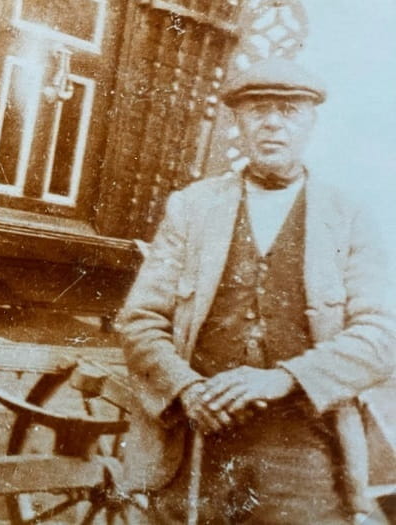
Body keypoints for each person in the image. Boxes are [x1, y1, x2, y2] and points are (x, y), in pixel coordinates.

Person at [118, 57, 396, 523]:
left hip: (301, 446)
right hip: (196, 442)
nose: (272, 123)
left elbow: (380, 336)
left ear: (310, 123)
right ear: (237, 123)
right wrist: (186, 390)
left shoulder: (347, 216)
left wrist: (283, 378)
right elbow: (140, 320)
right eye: (257, 110)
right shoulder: (193, 208)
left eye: (288, 111)